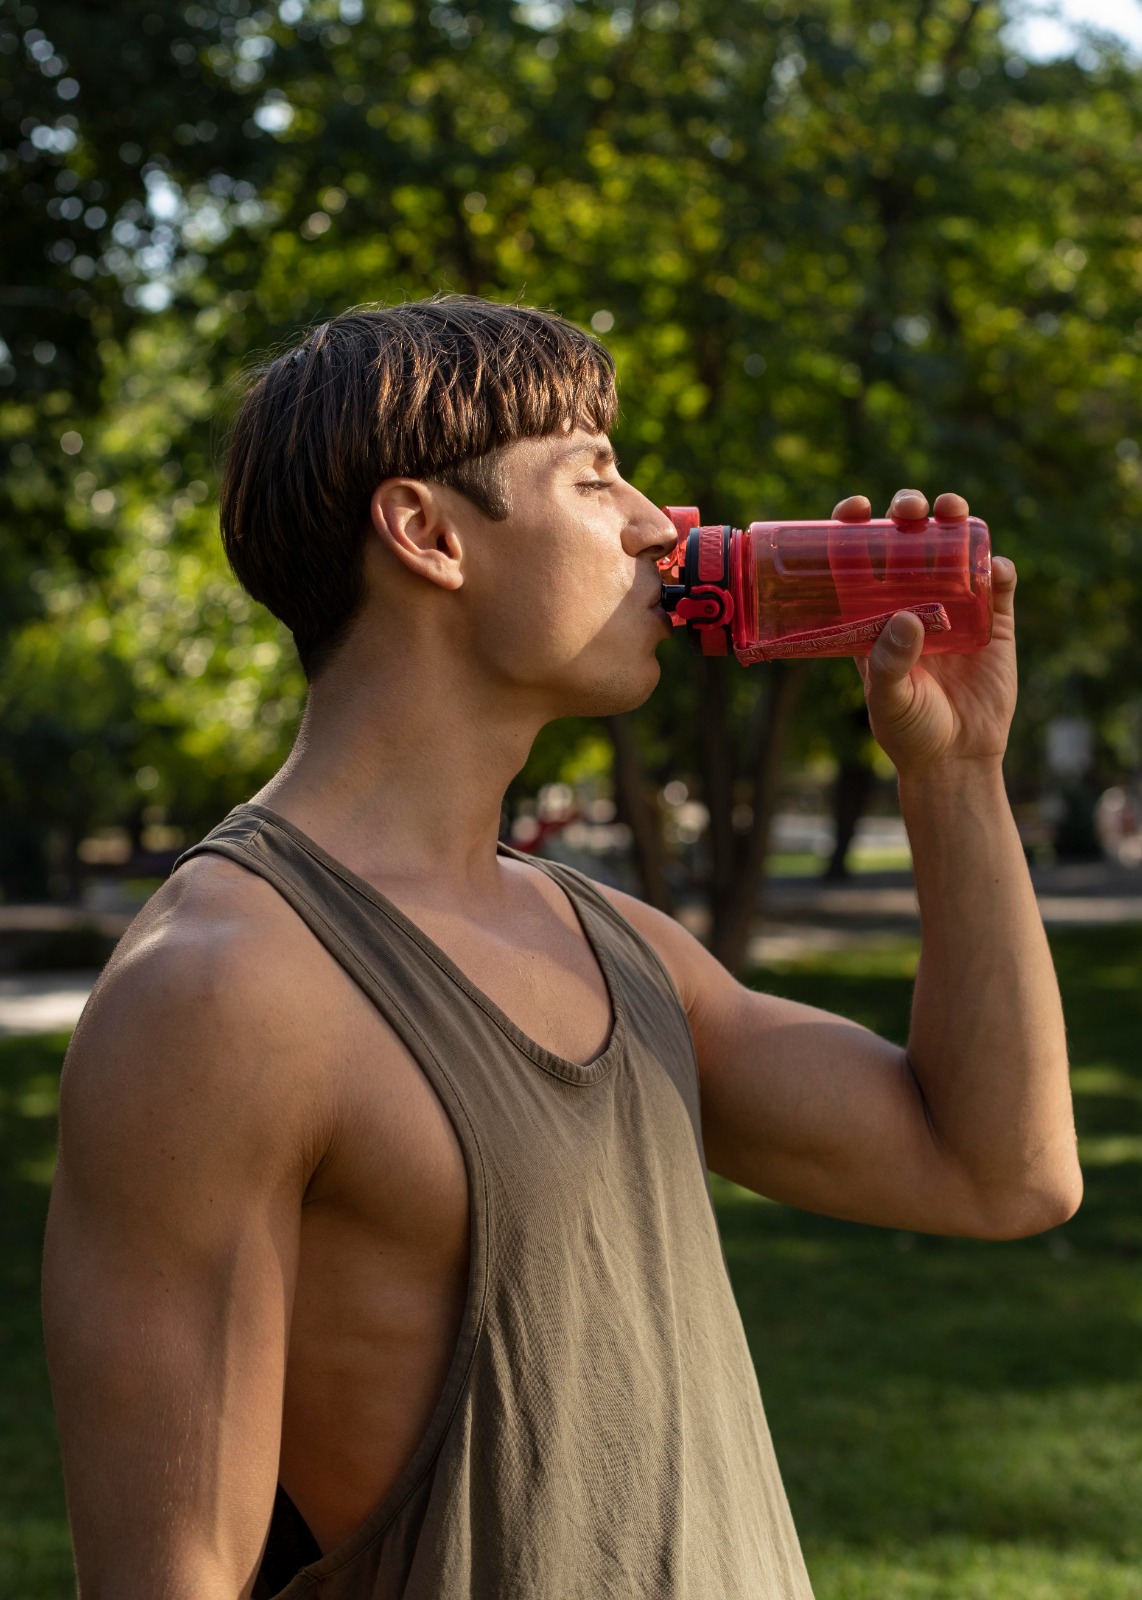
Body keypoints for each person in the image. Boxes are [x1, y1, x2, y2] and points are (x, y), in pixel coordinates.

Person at [41, 297, 1081, 1600]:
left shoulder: (607, 938)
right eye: (593, 476)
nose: (658, 524)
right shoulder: (222, 993)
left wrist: (956, 776)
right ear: (426, 534)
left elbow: (1000, 1173)